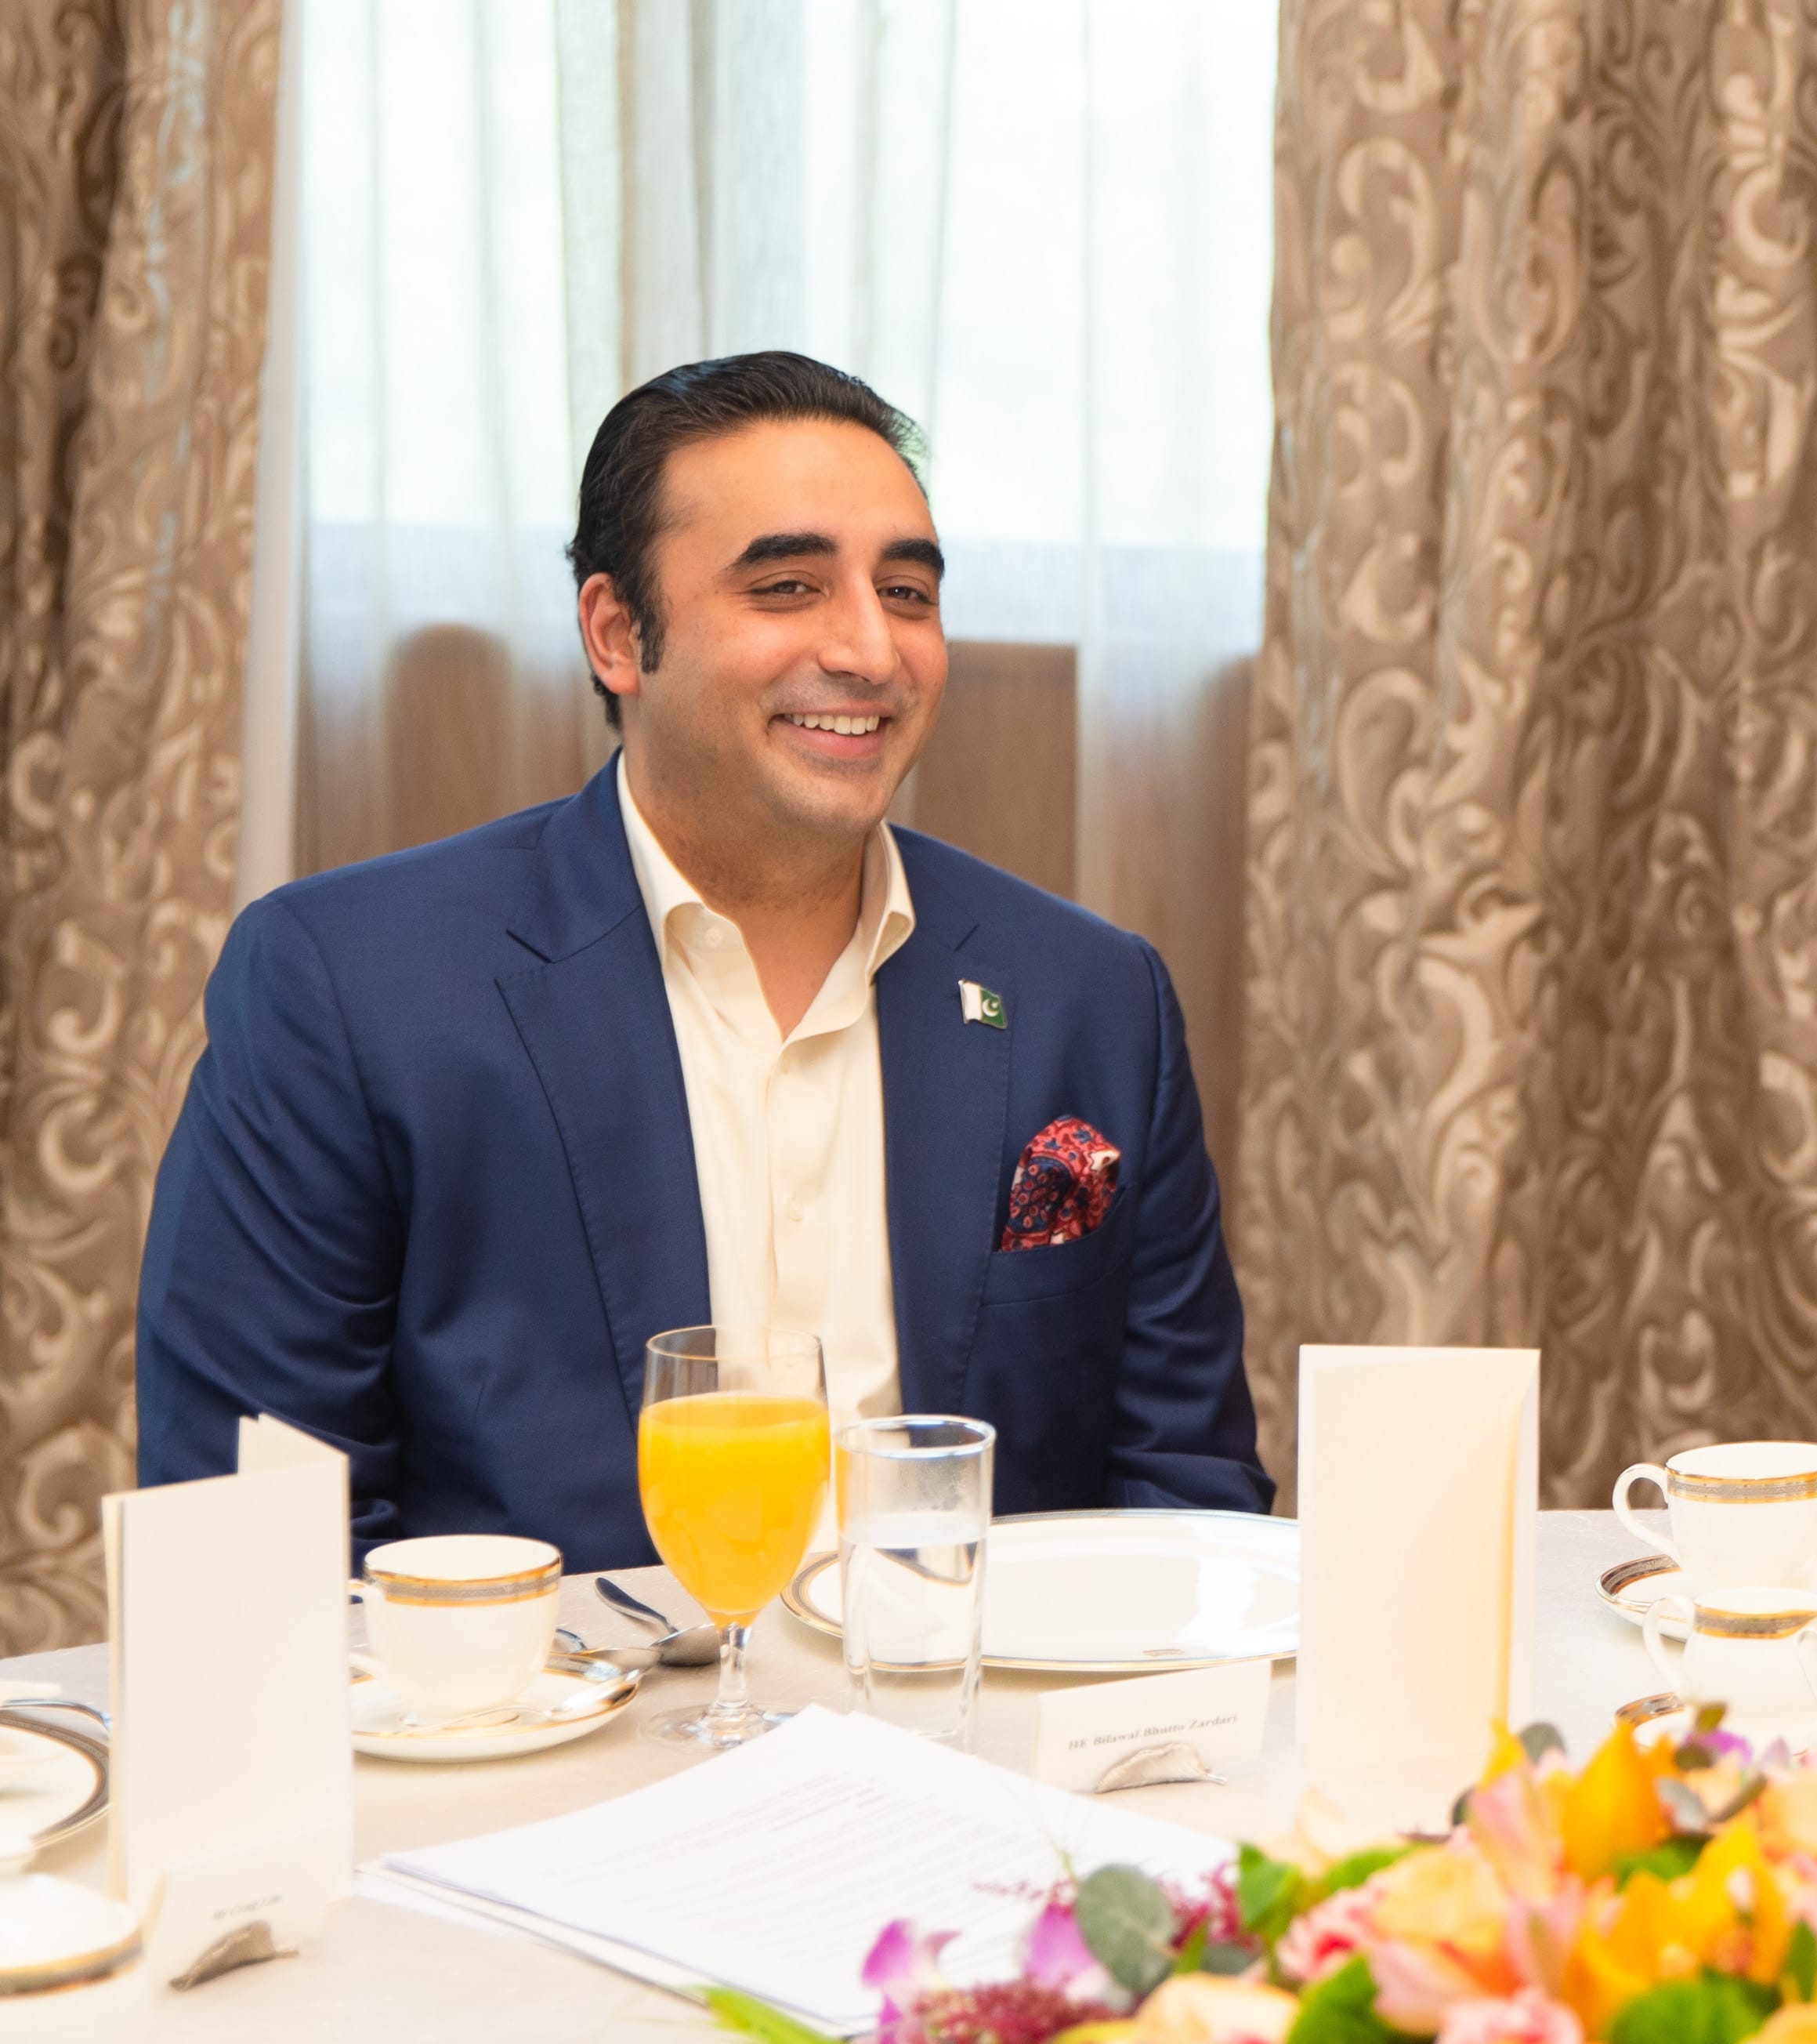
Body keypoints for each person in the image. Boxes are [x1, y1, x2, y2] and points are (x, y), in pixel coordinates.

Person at [138, 350, 1265, 1566]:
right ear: (619, 634)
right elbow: (249, 1552)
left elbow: (1185, 1502)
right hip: (557, 1741)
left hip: (972, 1729)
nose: (872, 652)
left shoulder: (1090, 1000)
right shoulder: (350, 988)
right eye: (787, 587)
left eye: (907, 592)